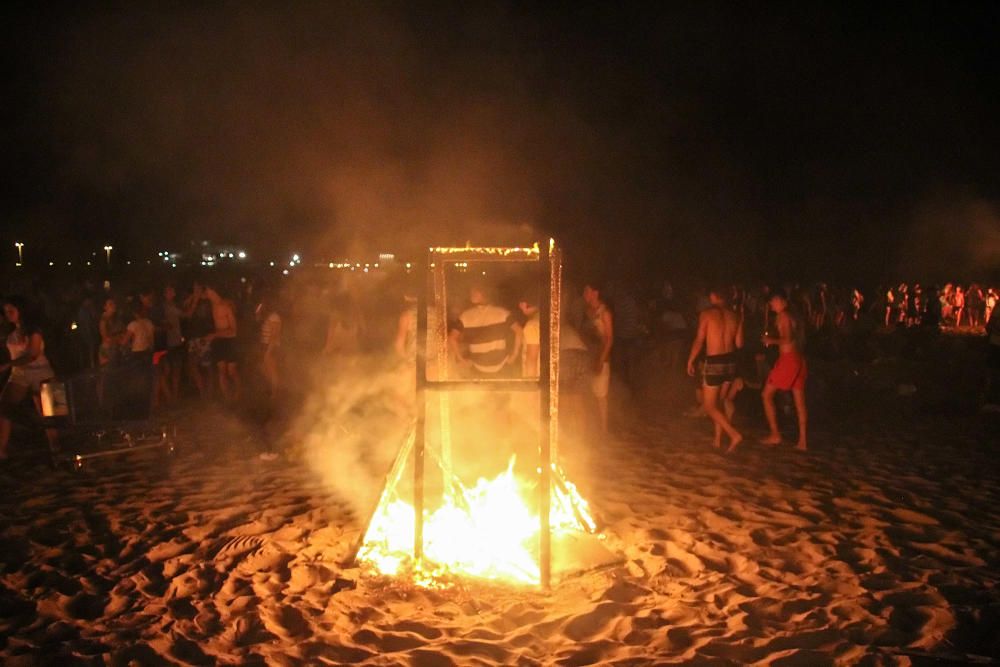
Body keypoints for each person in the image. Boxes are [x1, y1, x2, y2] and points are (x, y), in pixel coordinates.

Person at [0, 296, 59, 460]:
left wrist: (7, 365)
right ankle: (1, 450)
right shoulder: (12, 332)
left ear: (21, 310)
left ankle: (56, 449)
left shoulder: (34, 330)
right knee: (4, 406)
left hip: (41, 372)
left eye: (11, 310)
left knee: (49, 414)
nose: (8, 314)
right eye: (6, 311)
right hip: (19, 373)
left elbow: (33, 354)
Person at [686, 286, 744, 451]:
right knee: (719, 403)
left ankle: (734, 435)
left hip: (714, 362)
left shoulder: (706, 314)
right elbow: (739, 344)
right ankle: (717, 440)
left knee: (709, 406)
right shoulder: (736, 316)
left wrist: (691, 360)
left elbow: (699, 340)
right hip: (730, 362)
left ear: (713, 296)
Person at [761, 292, 808, 451]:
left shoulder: (783, 316)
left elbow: (787, 339)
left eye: (773, 300)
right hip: (799, 359)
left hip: (788, 360)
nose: (771, 303)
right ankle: (802, 441)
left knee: (766, 395)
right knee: (799, 402)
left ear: (783, 301)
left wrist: (770, 341)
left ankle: (775, 434)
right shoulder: (793, 317)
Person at [449, 283, 522, 378]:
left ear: (486, 293)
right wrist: (514, 355)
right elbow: (451, 338)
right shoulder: (466, 316)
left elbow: (519, 331)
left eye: (476, 291)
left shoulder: (502, 313)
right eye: (472, 291)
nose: (472, 293)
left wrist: (462, 359)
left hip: (491, 367)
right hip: (486, 368)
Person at [581, 282, 613, 434]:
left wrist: (601, 360)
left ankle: (604, 430)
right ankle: (590, 429)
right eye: (584, 292)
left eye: (587, 291)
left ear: (596, 293)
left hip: (601, 357)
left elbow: (609, 339)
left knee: (601, 396)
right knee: (588, 394)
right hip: (587, 357)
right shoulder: (587, 312)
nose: (585, 295)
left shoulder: (605, 313)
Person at [204, 282, 241, 402]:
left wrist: (214, 335)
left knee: (231, 371)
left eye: (209, 291)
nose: (207, 293)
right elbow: (199, 295)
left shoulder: (226, 306)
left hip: (229, 341)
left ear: (214, 292)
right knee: (221, 370)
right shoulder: (211, 304)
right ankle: (227, 398)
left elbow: (234, 330)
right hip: (219, 341)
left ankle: (238, 392)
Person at [98, 297, 126, 366]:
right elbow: (106, 338)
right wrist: (119, 338)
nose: (114, 305)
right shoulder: (103, 321)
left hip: (117, 349)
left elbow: (124, 331)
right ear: (105, 307)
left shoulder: (117, 318)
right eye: (110, 304)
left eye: (114, 303)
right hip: (108, 351)